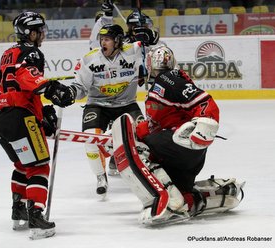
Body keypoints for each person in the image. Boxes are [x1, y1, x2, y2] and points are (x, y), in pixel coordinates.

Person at [111, 45, 245, 225]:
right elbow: (158, 124)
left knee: (138, 150)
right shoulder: (165, 82)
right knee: (185, 199)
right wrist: (136, 130)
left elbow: (204, 101)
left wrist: (207, 123)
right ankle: (208, 196)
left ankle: (166, 201)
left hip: (178, 144)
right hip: (185, 151)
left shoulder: (166, 79)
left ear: (150, 64)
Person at [0, 11, 74, 239]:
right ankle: (36, 215)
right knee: (39, 168)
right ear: (30, 32)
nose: (42, 35)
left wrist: (41, 112)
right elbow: (27, 76)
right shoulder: (32, 52)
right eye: (40, 31)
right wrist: (52, 88)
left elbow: (15, 85)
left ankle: (19, 210)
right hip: (19, 118)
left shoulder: (9, 52)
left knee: (22, 164)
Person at [55, 23, 159, 198]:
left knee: (145, 135)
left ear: (118, 41)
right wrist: (71, 93)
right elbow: (80, 87)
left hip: (126, 103)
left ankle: (148, 172)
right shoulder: (89, 60)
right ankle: (100, 177)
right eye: (101, 39)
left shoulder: (134, 51)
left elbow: (155, 43)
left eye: (107, 39)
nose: (103, 43)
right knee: (90, 137)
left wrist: (148, 35)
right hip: (98, 104)